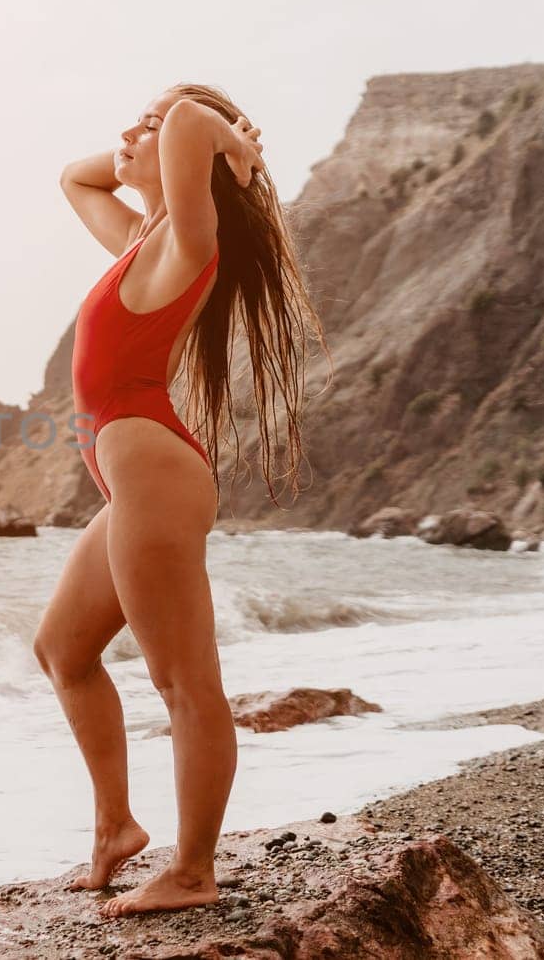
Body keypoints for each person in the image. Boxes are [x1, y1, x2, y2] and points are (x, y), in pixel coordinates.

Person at [34, 83, 329, 917]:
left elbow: (195, 121)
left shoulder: (190, 243)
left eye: (150, 124)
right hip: (131, 479)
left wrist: (224, 140)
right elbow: (75, 178)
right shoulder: (142, 237)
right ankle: (116, 827)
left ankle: (195, 869)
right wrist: (143, 147)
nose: (130, 133)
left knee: (185, 682)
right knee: (62, 649)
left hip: (154, 476)